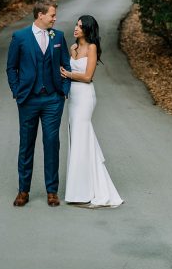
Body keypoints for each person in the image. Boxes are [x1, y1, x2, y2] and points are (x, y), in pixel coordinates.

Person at [6, 0, 72, 207]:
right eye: (52, 15)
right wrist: (17, 91)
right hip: (28, 99)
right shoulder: (20, 37)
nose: (55, 18)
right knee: (26, 145)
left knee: (52, 144)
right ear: (40, 15)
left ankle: (52, 191)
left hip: (53, 99)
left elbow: (66, 64)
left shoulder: (58, 36)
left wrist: (65, 90)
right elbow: (11, 68)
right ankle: (23, 191)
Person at [60, 15, 123, 207]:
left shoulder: (92, 48)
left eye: (80, 26)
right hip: (73, 97)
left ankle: (85, 190)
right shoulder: (73, 48)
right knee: (78, 139)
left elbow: (87, 76)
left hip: (85, 96)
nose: (76, 28)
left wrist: (68, 74)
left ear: (87, 30)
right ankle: (78, 189)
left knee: (81, 136)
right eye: (76, 25)